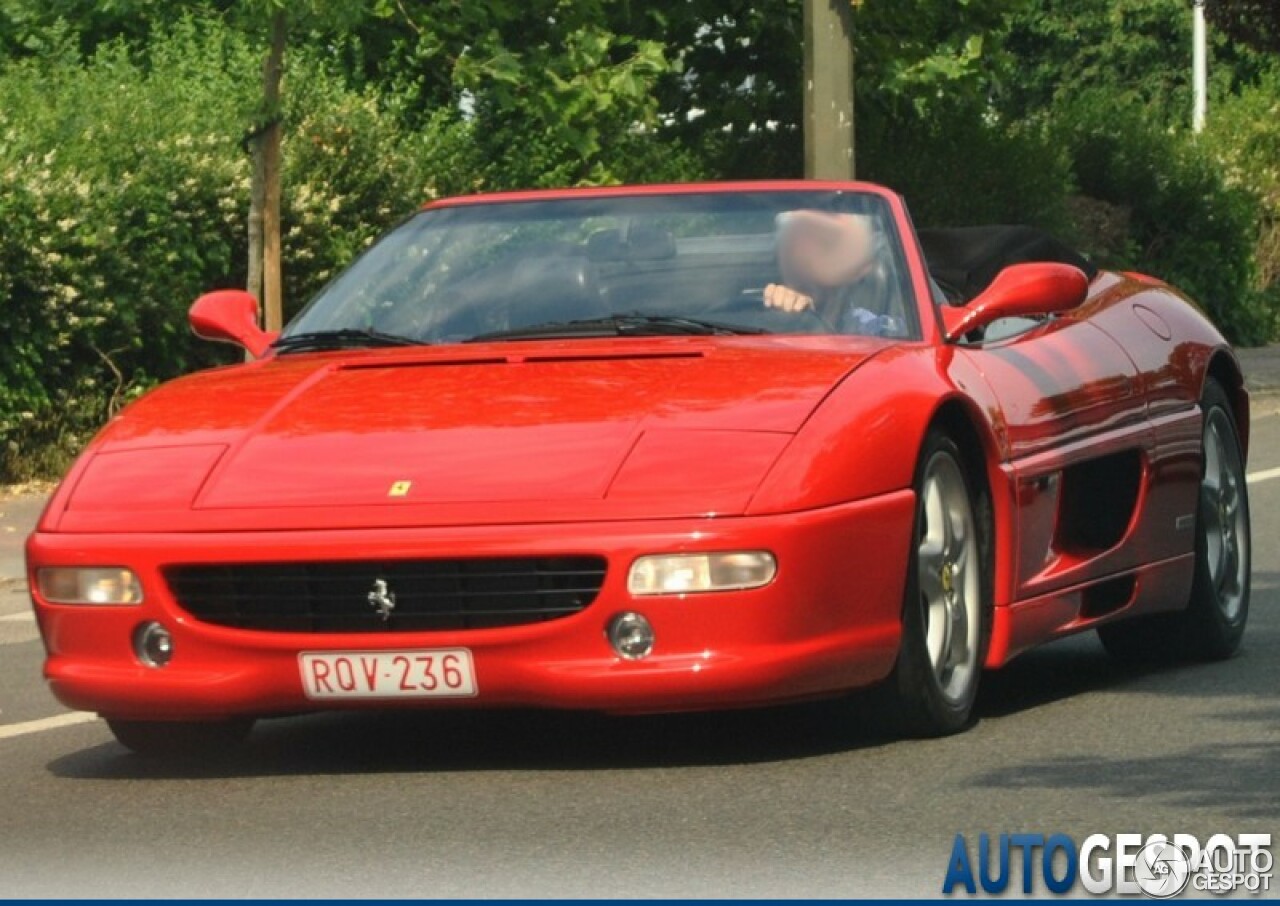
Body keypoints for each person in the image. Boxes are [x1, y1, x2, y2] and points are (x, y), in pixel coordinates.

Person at [764, 210, 904, 336]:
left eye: (826, 245)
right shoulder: (760, 319)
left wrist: (813, 322)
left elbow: (903, 342)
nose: (811, 262)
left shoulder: (869, 329)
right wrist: (778, 317)